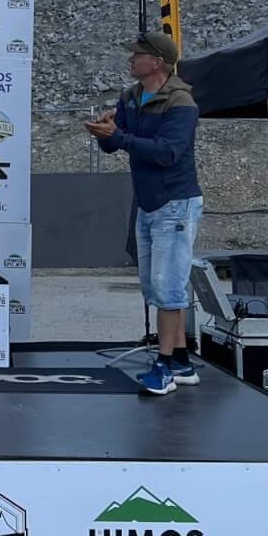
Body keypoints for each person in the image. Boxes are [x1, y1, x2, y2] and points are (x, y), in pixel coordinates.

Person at [86, 32, 203, 396]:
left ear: (157, 62)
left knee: (168, 288)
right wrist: (104, 133)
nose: (131, 60)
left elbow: (167, 152)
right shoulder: (131, 96)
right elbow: (116, 144)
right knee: (155, 286)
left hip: (175, 202)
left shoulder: (181, 102)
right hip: (149, 202)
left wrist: (119, 137)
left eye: (137, 55)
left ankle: (163, 366)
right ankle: (182, 362)